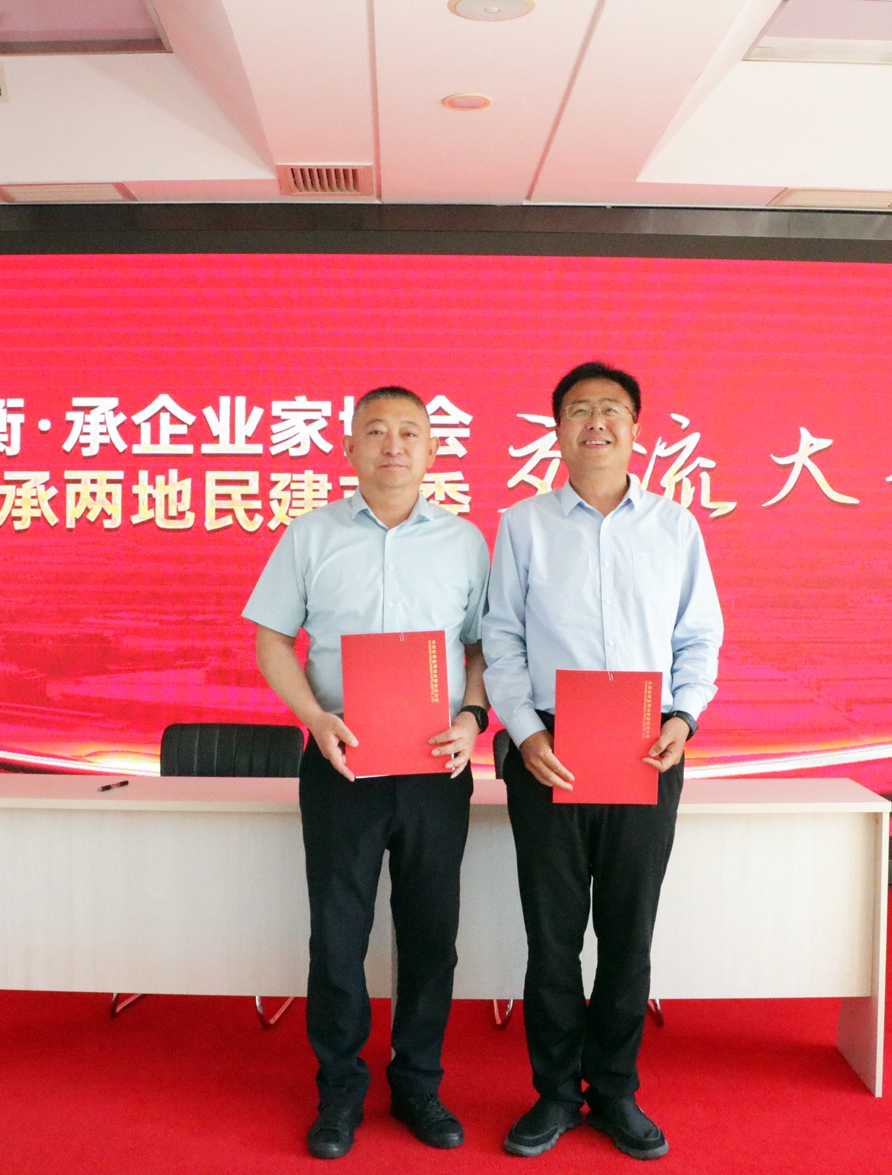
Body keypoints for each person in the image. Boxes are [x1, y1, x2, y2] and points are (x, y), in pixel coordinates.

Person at [482, 361, 723, 1160]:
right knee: (552, 934)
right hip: (547, 745)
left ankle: (615, 1089)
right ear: (557, 430)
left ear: (635, 429)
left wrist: (684, 717)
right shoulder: (522, 525)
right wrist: (525, 733)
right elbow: (501, 639)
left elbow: (699, 637)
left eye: (611, 409)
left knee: (628, 930)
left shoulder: (675, 527)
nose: (596, 422)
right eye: (579, 410)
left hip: (646, 742)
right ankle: (555, 1093)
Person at [244, 386, 492, 1160]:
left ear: (432, 450)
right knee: (338, 934)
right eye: (376, 431)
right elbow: (272, 638)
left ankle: (418, 1082)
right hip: (340, 759)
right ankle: (341, 1089)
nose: (393, 444)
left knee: (431, 933)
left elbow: (482, 647)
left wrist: (472, 718)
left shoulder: (464, 543)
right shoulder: (310, 535)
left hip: (435, 764)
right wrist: (313, 718)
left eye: (410, 432)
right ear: (349, 447)